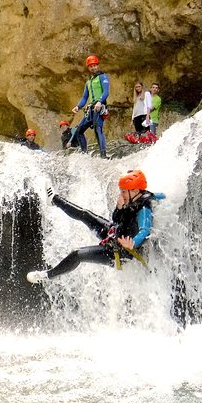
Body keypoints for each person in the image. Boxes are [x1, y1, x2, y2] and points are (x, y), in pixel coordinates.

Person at [26, 170, 166, 284]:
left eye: (124, 191)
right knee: (85, 214)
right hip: (114, 233)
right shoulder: (132, 197)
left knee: (77, 254)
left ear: (135, 190)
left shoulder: (144, 208)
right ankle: (54, 200)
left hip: (121, 251)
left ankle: (47, 276)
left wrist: (133, 243)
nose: (121, 194)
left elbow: (145, 229)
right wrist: (119, 208)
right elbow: (116, 219)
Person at [71, 55, 110, 158]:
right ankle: (85, 154)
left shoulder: (103, 77)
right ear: (88, 68)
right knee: (79, 131)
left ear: (98, 66)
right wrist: (78, 107)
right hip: (91, 109)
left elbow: (106, 92)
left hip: (99, 107)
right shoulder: (88, 82)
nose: (93, 67)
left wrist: (100, 102)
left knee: (98, 129)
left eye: (95, 65)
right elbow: (84, 97)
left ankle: (103, 155)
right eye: (91, 66)